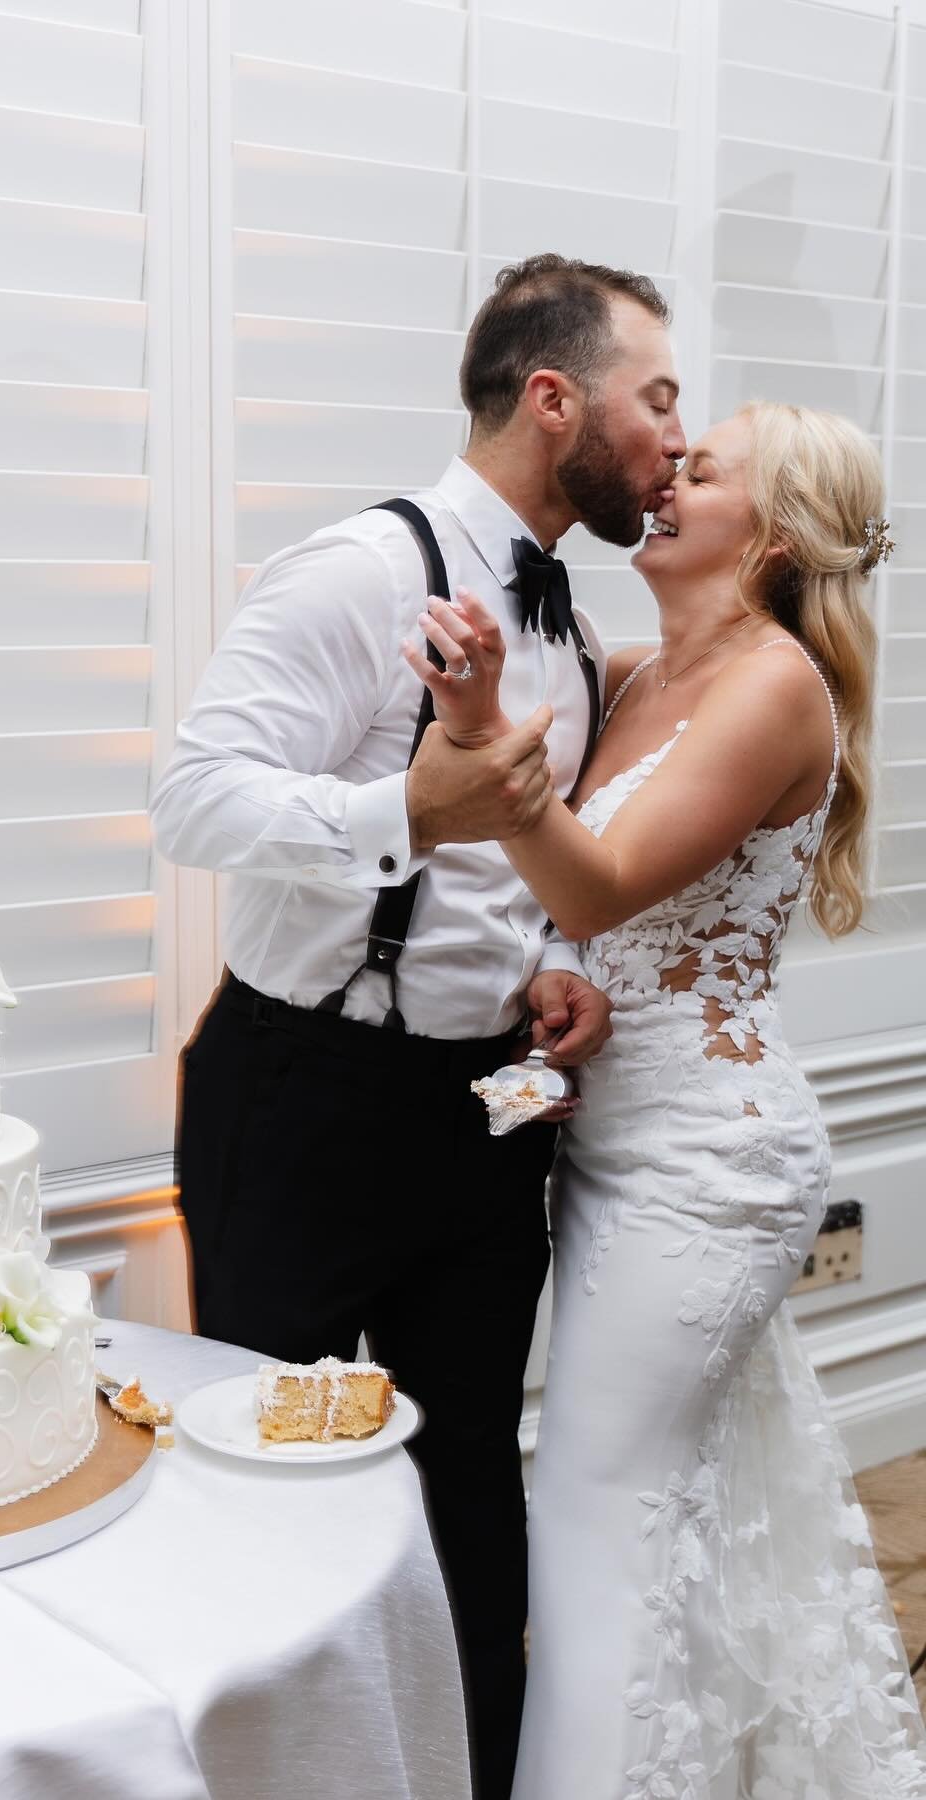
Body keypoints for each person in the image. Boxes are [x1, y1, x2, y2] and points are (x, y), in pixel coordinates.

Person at [150, 254, 685, 1800]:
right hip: (303, 1099)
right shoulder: (358, 574)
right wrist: (403, 806)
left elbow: (533, 864)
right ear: (552, 399)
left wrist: (557, 956)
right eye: (654, 398)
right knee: (272, 1481)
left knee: (468, 1488)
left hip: (486, 1112)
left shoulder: (572, 630)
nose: (669, 435)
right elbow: (191, 799)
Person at [405, 401, 926, 1795]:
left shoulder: (771, 687)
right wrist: (552, 978)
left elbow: (597, 879)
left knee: (594, 1511)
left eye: (703, 470)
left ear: (777, 535)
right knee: (650, 1511)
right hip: (614, 1149)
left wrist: (482, 738)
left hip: (710, 1161)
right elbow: (583, 922)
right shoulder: (637, 676)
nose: (668, 478)